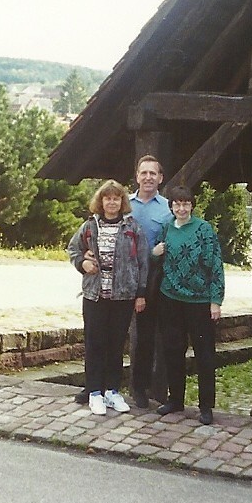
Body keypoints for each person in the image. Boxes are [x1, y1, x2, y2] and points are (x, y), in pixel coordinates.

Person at [67, 179, 148, 416]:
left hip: (123, 296)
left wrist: (140, 293)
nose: (112, 203)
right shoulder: (90, 226)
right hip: (95, 296)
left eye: (116, 198)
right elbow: (73, 249)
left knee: (116, 344)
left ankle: (112, 391)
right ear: (101, 202)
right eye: (107, 198)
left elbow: (143, 261)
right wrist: (82, 263)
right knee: (95, 344)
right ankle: (94, 392)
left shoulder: (132, 227)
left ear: (122, 202)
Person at [152, 185, 224, 425]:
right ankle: (175, 400)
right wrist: (154, 253)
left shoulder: (204, 229)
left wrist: (215, 300)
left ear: (192, 205)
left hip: (199, 301)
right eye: (177, 204)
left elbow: (216, 264)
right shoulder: (166, 228)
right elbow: (155, 257)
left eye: (186, 204)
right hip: (170, 298)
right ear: (171, 206)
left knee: (204, 355)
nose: (181, 208)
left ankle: (206, 406)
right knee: (173, 351)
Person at [129, 155, 172, 409]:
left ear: (160, 178)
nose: (148, 177)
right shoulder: (124, 204)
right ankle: (105, 387)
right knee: (115, 335)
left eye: (152, 173)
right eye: (143, 173)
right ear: (137, 176)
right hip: (125, 279)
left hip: (153, 280)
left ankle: (145, 389)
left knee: (149, 338)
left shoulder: (168, 209)